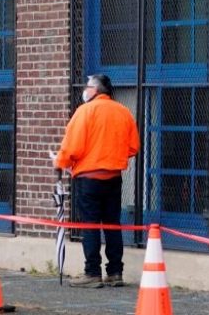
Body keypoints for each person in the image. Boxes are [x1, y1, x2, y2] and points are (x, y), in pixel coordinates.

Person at [55, 74, 139, 288]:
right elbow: (133, 147)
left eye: (88, 86)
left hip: (88, 178)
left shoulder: (84, 112)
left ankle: (92, 272)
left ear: (96, 90)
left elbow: (72, 147)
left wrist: (60, 161)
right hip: (113, 178)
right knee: (112, 225)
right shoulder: (124, 112)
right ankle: (115, 272)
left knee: (89, 225)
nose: (85, 89)